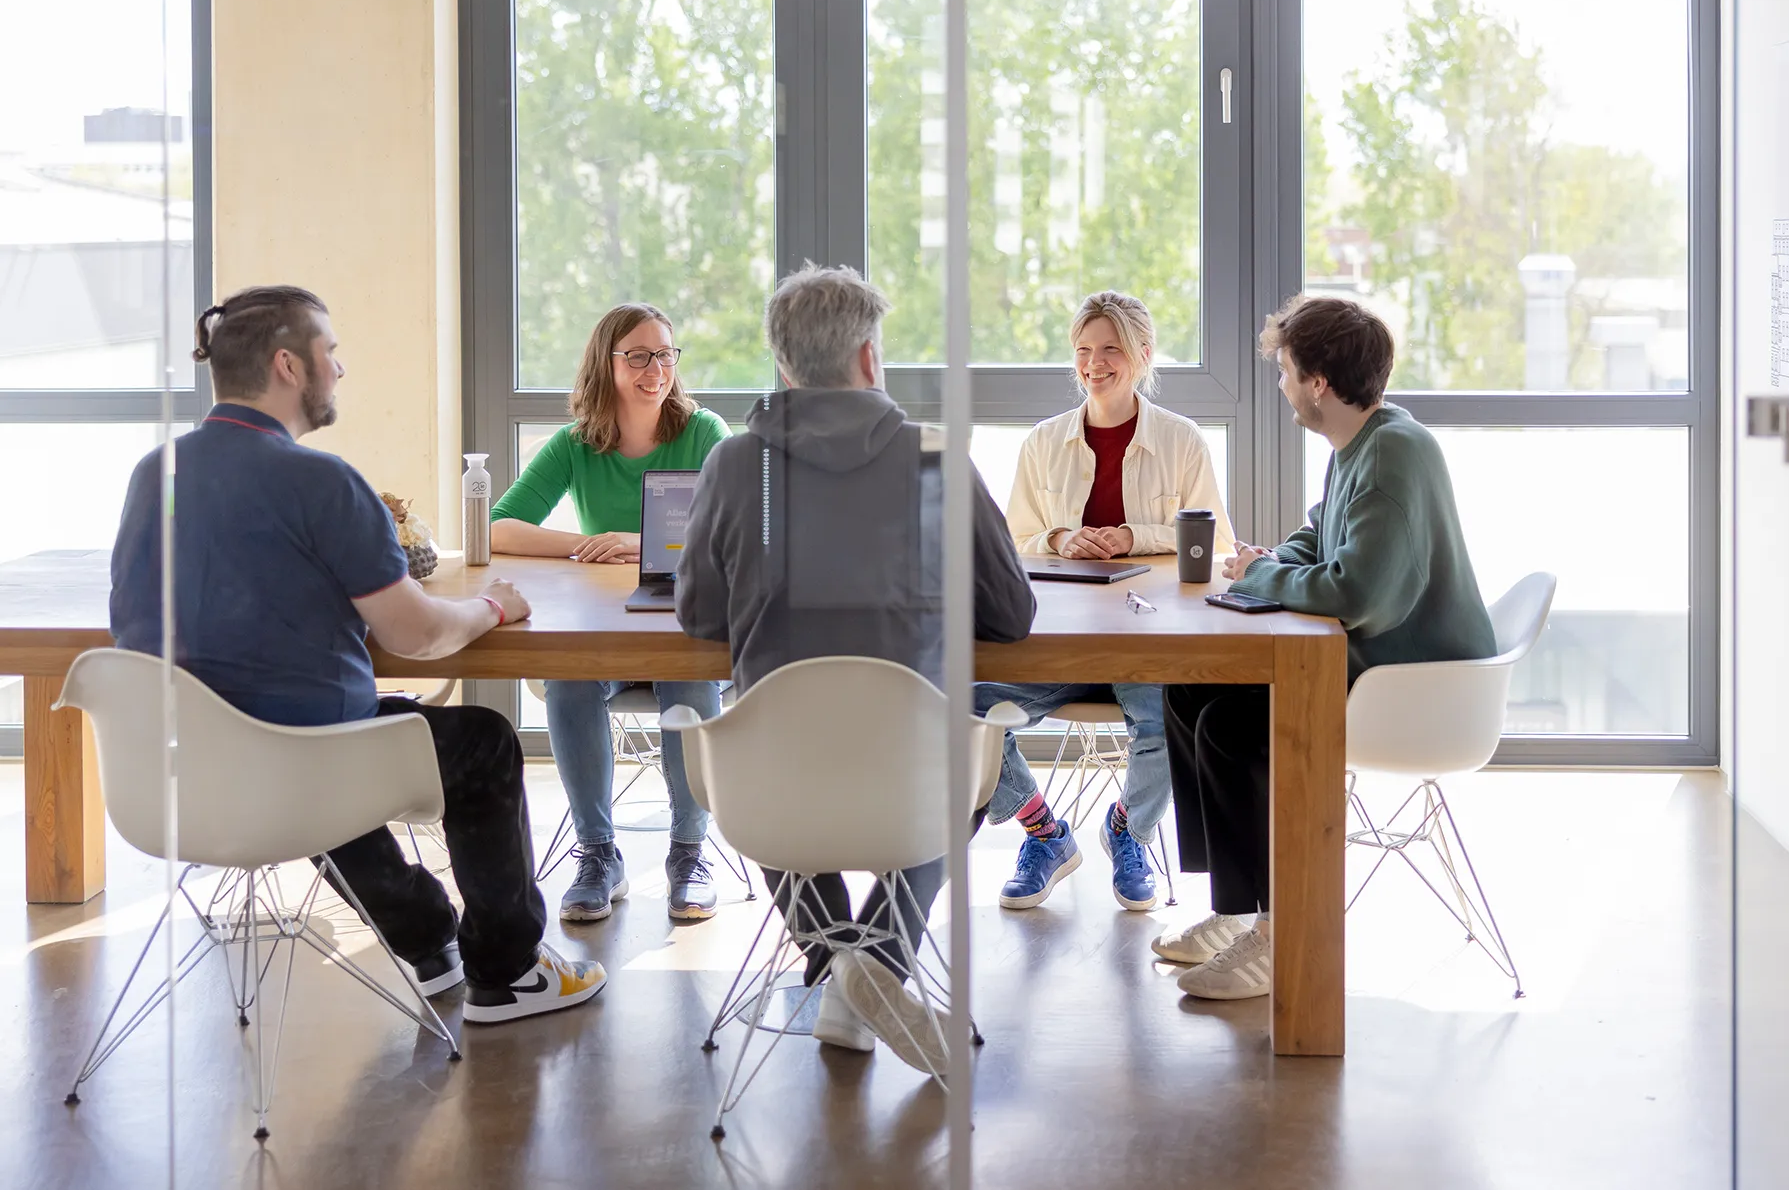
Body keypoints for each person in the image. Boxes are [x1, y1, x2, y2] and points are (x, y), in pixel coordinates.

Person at [109, 284, 605, 1025]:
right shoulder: (320, 481)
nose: (339, 370)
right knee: (481, 743)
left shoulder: (157, 474)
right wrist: (495, 604)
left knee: (318, 741)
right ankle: (508, 972)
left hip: (186, 777)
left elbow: (140, 620)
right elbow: (419, 635)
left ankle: (430, 943)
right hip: (310, 769)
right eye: (330, 353)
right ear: (287, 365)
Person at [679, 263, 1035, 1076]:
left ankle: (837, 960)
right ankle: (873, 964)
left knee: (758, 743)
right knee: (962, 758)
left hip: (773, 788)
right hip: (911, 781)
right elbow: (1011, 617)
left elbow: (700, 618)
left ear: (784, 366)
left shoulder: (737, 467)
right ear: (870, 358)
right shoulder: (938, 458)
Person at [1156, 294, 1496, 1001]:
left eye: (1285, 370)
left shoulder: (1394, 454)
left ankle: (1281, 934)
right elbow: (1321, 538)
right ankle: (1239, 908)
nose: (1279, 384)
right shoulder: (1361, 444)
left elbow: (1353, 594)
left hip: (1409, 686)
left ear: (1318, 380)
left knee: (1234, 726)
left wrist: (1269, 576)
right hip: (1375, 664)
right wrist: (1266, 560)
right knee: (1189, 688)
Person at [973, 291, 1234, 913]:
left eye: (1111, 348)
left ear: (1142, 355)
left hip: (1146, 646)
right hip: (1057, 644)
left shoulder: (1182, 439)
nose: (1095, 362)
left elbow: (1216, 542)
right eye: (1084, 350)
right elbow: (1011, 542)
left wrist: (1132, 537)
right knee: (967, 707)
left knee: (1171, 720)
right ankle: (1045, 833)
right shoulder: (1042, 442)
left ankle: (1128, 829)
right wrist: (1061, 538)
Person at [490, 304, 732, 923]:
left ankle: (689, 853)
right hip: (608, 627)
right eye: (639, 356)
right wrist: (582, 544)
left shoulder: (704, 432)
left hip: (684, 618)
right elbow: (499, 528)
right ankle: (598, 855)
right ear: (608, 362)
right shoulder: (576, 444)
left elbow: (738, 529)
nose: (657, 369)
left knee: (688, 676)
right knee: (568, 681)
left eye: (666, 354)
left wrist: (639, 542)